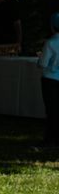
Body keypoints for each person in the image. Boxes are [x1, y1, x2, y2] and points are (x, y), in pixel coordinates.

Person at [36, 12, 59, 147]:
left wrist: (40, 58)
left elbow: (43, 64)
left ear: (52, 27)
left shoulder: (50, 43)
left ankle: (50, 139)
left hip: (50, 80)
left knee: (51, 110)